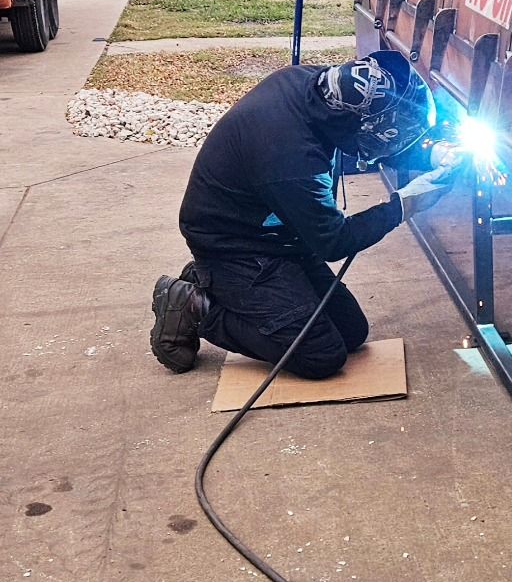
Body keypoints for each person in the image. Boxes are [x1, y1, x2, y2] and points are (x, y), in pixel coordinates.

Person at [149, 50, 453, 378]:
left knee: (352, 332)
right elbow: (334, 243)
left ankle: (216, 283)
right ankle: (195, 305)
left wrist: (432, 155)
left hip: (279, 233)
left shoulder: (322, 87)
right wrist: (406, 203)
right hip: (233, 247)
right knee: (321, 355)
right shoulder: (292, 160)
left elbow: (366, 139)